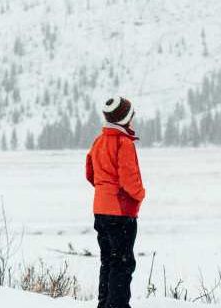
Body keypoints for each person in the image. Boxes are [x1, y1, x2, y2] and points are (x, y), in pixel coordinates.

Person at [85, 96, 146, 308]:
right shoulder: (123, 143)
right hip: (121, 213)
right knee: (123, 263)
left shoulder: (98, 141)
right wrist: (140, 194)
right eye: (132, 116)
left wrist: (104, 192)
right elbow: (129, 179)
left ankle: (104, 304)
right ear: (124, 119)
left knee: (108, 261)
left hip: (100, 210)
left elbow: (90, 173)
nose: (133, 120)